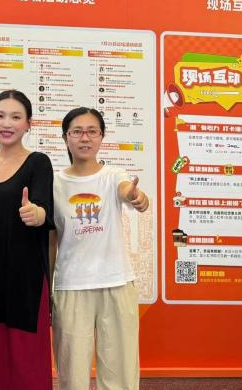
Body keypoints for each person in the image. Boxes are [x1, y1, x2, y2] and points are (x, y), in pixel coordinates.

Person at [50, 107, 149, 390]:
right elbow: (51, 239)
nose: (85, 138)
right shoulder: (55, 183)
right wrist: (48, 286)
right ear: (66, 137)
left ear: (102, 136)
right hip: (71, 286)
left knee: (121, 373)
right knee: (72, 375)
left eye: (92, 131)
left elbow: (127, 191)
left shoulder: (113, 175)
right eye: (77, 132)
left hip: (116, 283)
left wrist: (137, 196)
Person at [0, 89, 54, 390]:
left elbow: (45, 209)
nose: (7, 123)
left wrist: (37, 214)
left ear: (28, 124)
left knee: (24, 358)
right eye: (1, 115)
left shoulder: (38, 163)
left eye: (16, 117)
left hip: (24, 276)